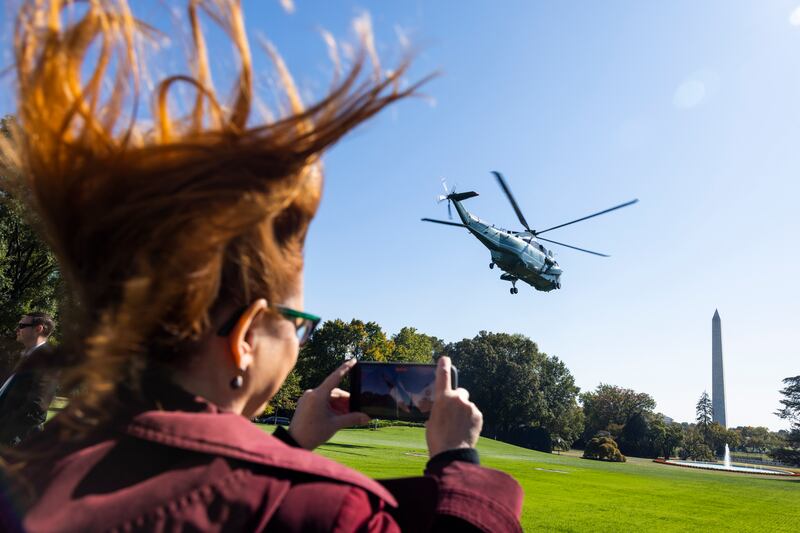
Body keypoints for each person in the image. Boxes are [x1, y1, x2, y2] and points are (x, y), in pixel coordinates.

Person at [0, 1, 524, 531]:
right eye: (297, 322)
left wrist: (292, 443)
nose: (300, 339)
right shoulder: (330, 511)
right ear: (245, 337)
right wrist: (458, 461)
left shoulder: (32, 465)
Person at [0, 313, 57, 447]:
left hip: (15, 444)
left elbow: (36, 410)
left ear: (38, 329)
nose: (17, 329)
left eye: (22, 325)